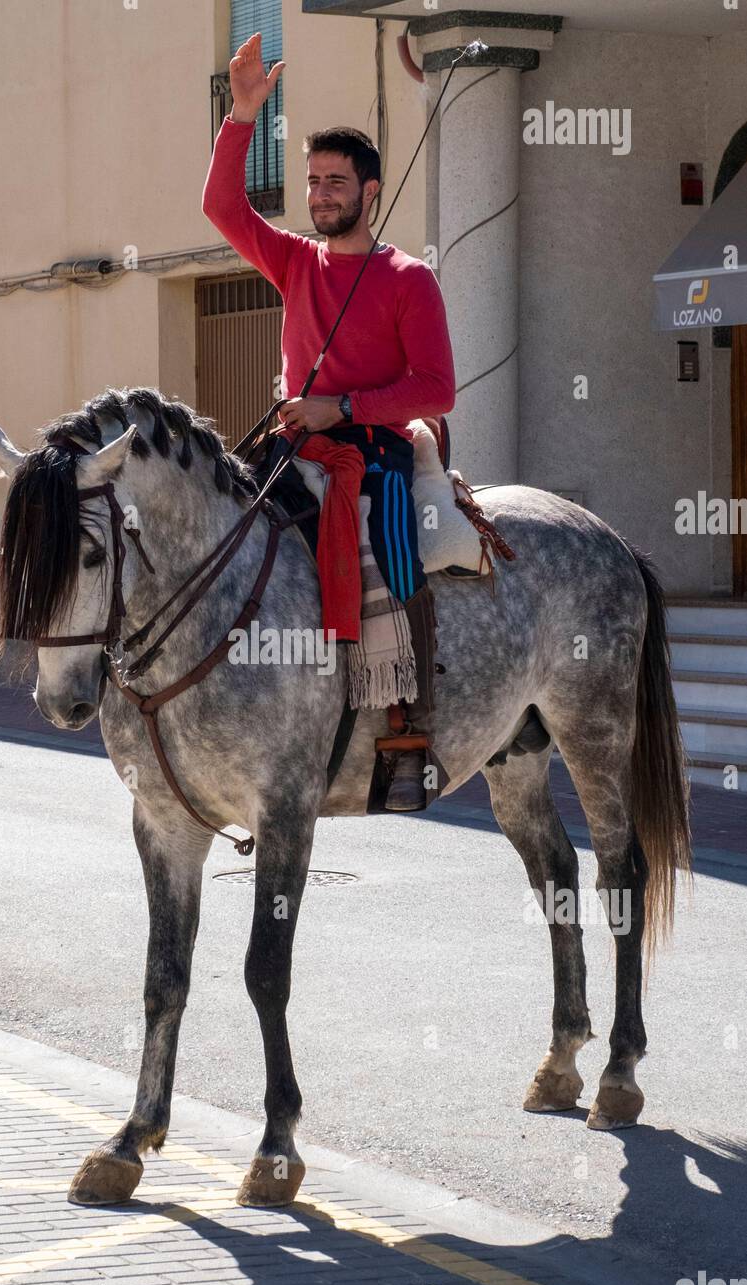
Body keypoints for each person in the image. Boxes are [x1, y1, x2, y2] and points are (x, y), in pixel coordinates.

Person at [201, 31, 455, 810]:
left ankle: (409, 727)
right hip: (291, 445)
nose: (319, 194)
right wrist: (242, 115)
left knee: (391, 548)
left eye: (335, 182)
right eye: (312, 181)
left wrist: (340, 407)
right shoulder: (291, 258)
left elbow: (436, 390)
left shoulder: (409, 280)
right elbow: (220, 206)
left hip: (372, 448)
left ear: (369, 190)